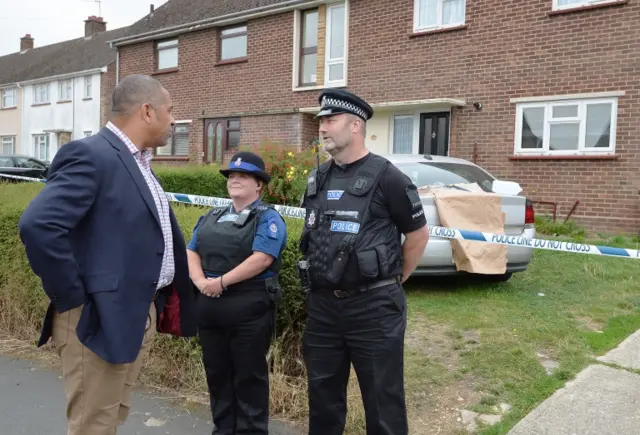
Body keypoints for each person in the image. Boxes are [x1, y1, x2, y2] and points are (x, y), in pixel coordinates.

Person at [17, 74, 198, 435]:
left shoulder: (139, 164)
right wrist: (73, 297)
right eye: (170, 110)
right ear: (147, 112)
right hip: (95, 317)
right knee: (93, 425)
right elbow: (38, 226)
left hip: (133, 313)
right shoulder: (92, 155)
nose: (174, 119)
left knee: (110, 418)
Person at [298, 89, 430, 435]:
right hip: (324, 309)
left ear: (355, 126)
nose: (323, 128)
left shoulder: (387, 176)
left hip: (373, 309)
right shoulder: (319, 177)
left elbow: (418, 236)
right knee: (323, 402)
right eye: (321, 121)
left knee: (383, 403)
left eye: (330, 120)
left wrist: (394, 279)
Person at [186, 151, 287, 435]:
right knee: (217, 376)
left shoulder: (268, 219)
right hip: (210, 306)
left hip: (248, 310)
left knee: (249, 378)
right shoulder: (213, 215)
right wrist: (200, 281)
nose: (235, 180)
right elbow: (191, 249)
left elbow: (262, 258)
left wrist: (220, 283)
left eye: (243, 176)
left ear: (259, 185)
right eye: (232, 176)